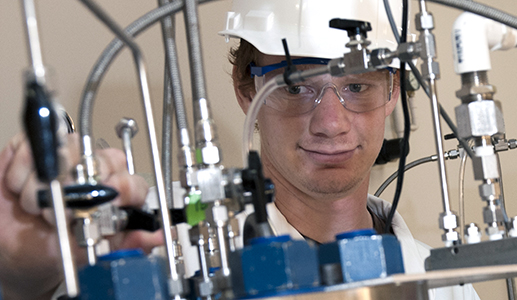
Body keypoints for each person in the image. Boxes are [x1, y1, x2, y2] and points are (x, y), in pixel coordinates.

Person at [0, 0, 478, 299]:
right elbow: (35, 281)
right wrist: (20, 270)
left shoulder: (446, 283)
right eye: (294, 88)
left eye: (355, 86)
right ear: (247, 93)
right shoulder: (164, 240)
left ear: (393, 90)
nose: (331, 124)